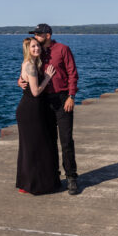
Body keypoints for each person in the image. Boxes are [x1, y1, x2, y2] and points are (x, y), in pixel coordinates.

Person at [19, 23, 80, 195]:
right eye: (34, 35)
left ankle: (71, 177)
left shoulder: (62, 49)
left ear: (47, 35)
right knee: (48, 142)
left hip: (62, 100)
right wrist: (19, 81)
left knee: (66, 140)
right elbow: (27, 69)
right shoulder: (36, 52)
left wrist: (71, 96)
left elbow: (73, 74)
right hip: (43, 102)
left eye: (38, 35)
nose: (35, 38)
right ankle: (53, 178)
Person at [15, 37, 61, 195]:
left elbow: (23, 82)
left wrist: (19, 81)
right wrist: (48, 78)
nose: (37, 49)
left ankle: (26, 184)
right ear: (28, 49)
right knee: (36, 148)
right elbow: (35, 92)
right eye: (33, 47)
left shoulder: (27, 64)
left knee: (30, 148)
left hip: (28, 109)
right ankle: (35, 185)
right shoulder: (31, 66)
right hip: (31, 111)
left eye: (38, 46)